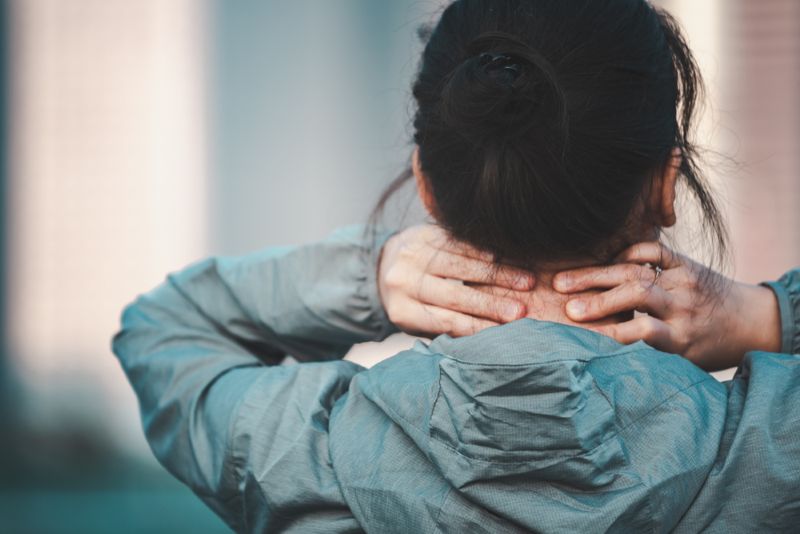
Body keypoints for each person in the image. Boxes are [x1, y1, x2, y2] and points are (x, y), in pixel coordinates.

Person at [112, 0, 800, 532]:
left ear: (429, 186)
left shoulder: (298, 449)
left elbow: (162, 330)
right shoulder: (772, 448)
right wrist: (769, 314)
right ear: (665, 185)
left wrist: (368, 275)